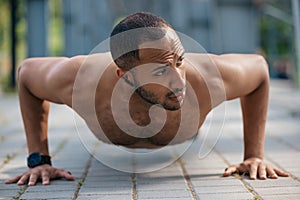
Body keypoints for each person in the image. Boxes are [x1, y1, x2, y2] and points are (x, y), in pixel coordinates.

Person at [5, 12, 288, 186]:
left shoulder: (208, 79)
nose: (180, 81)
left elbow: (259, 69)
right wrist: (38, 159)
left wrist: (254, 155)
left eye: (180, 61)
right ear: (124, 75)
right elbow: (28, 73)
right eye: (161, 71)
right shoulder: (80, 81)